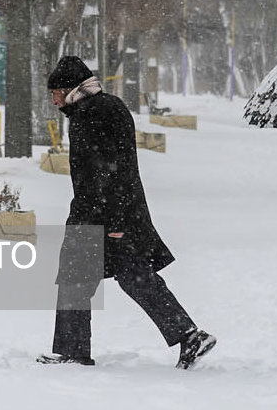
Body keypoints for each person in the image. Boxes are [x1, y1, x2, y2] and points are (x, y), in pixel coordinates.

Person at [37, 55, 215, 369]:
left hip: (105, 214)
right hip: (108, 212)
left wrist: (115, 221)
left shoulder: (97, 113)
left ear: (71, 89)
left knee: (79, 279)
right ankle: (189, 335)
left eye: (55, 93)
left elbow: (112, 169)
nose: (53, 101)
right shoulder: (96, 109)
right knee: (133, 277)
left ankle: (74, 351)